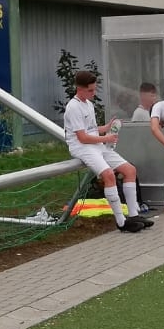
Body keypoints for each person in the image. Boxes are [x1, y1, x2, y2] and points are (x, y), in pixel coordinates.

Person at [63, 71, 151, 233]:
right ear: (79, 89)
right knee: (109, 175)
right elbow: (82, 137)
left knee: (130, 170)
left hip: (95, 145)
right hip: (82, 147)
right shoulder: (73, 107)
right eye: (90, 90)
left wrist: (106, 128)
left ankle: (134, 215)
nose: (93, 93)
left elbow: (91, 129)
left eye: (94, 89)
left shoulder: (88, 104)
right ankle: (121, 221)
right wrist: (106, 138)